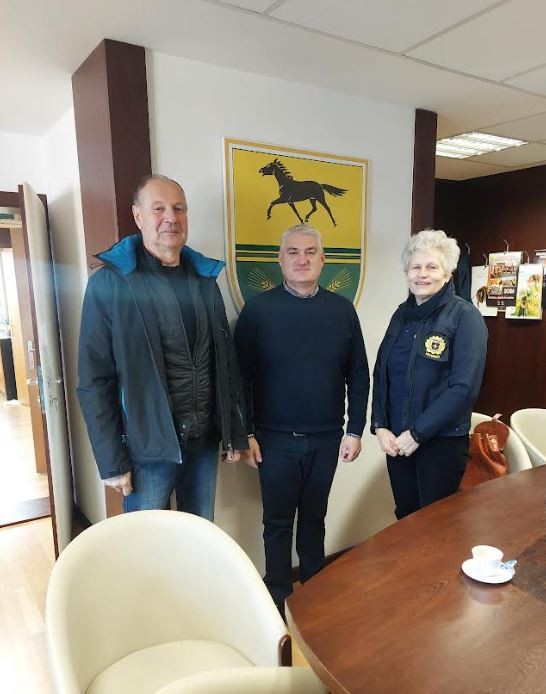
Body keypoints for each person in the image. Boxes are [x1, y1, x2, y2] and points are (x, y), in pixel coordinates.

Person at [77, 174, 247, 519]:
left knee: (197, 538)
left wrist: (234, 432)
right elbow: (94, 380)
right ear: (138, 216)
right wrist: (111, 461)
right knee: (145, 545)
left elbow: (224, 363)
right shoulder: (109, 283)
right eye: (159, 209)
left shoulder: (205, 279)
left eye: (178, 208)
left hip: (203, 445)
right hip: (146, 453)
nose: (171, 217)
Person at [234, 224, 369, 617]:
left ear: (323, 260)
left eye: (310, 252)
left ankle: (314, 596)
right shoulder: (258, 311)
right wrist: (245, 433)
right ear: (280, 260)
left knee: (314, 520)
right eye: (293, 252)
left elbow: (358, 374)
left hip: (326, 439)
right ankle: (277, 602)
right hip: (273, 440)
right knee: (276, 524)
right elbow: (238, 377)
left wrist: (355, 429)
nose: (302, 259)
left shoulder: (342, 311)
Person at [371, 229, 487, 520]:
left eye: (432, 267)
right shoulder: (401, 315)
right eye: (415, 267)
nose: (422, 274)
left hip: (441, 444)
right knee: (406, 519)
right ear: (406, 272)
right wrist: (380, 425)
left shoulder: (465, 317)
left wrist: (418, 434)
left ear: (447, 273)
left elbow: (464, 388)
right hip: (398, 442)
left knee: (436, 527)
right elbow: (382, 372)